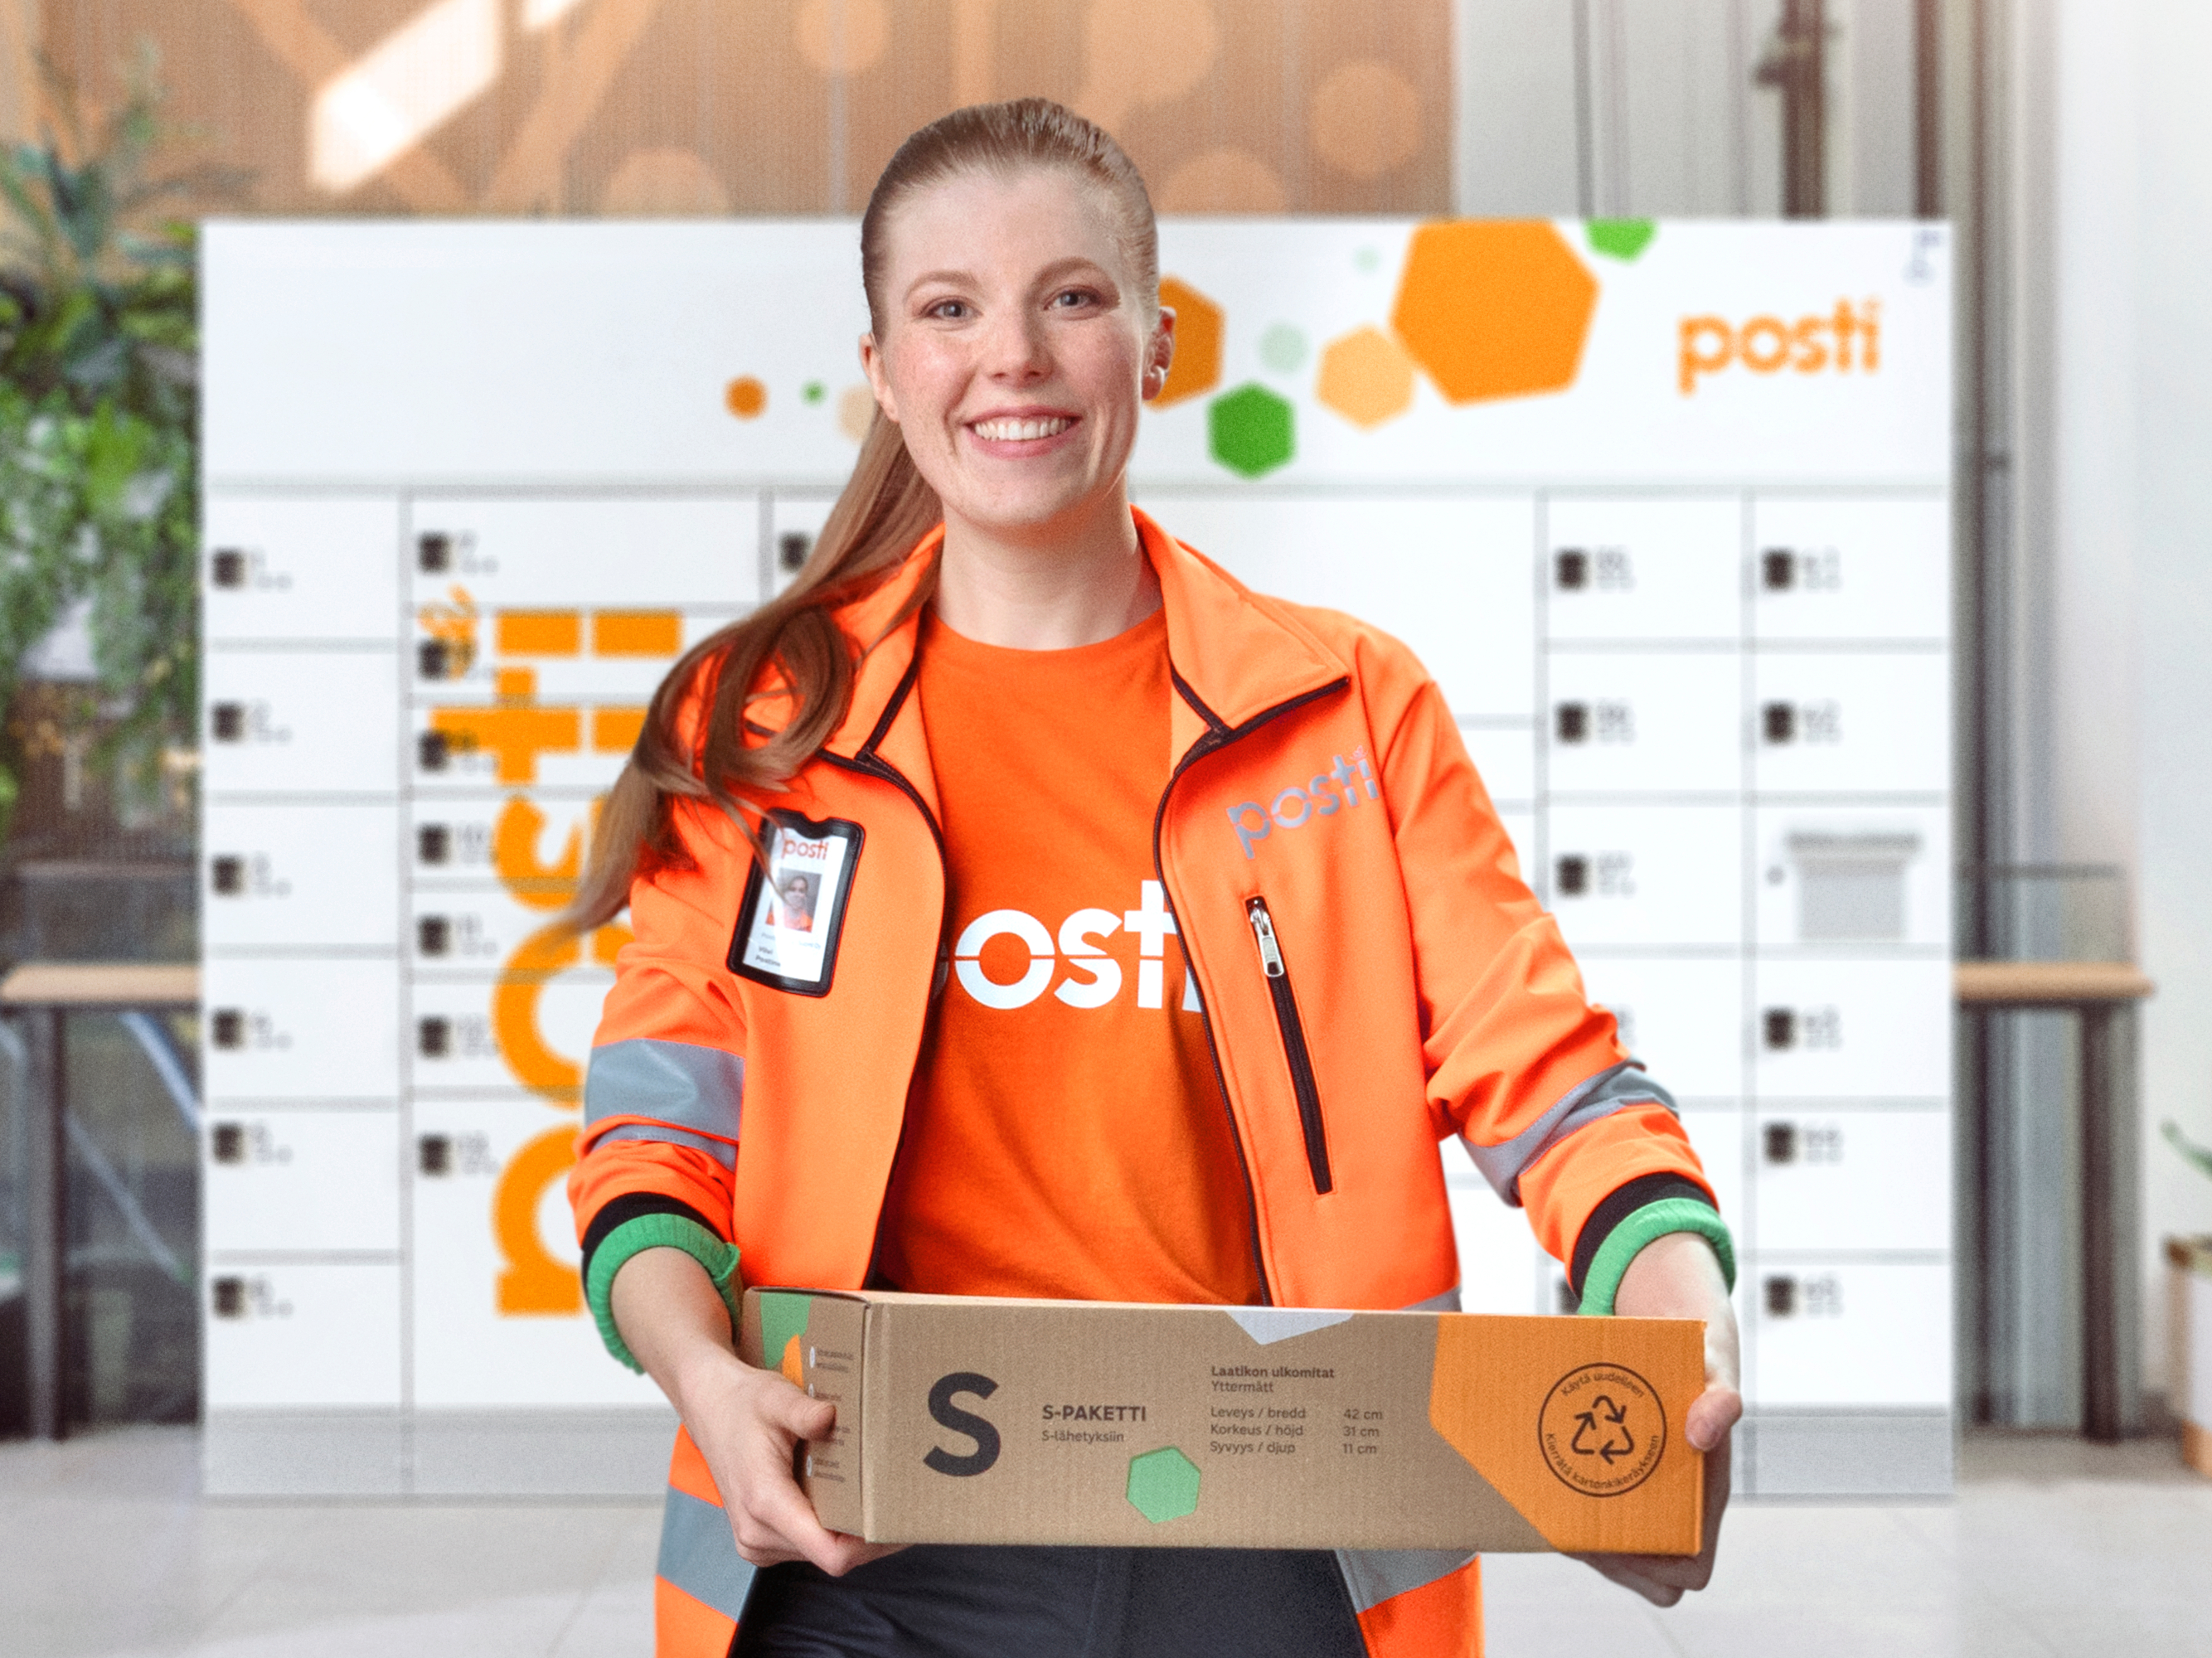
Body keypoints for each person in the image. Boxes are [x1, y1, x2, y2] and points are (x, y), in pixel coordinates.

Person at [563, 99, 1742, 1658]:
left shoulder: (1347, 711)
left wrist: (1676, 1336)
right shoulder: (775, 733)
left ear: (1159, 339)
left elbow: (1554, 1082)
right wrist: (706, 1385)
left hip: (1272, 1526)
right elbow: (652, 1148)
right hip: (858, 1537)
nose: (1015, 358)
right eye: (949, 309)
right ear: (882, 372)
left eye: (1072, 296)